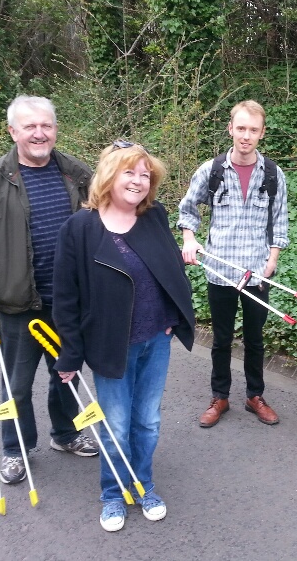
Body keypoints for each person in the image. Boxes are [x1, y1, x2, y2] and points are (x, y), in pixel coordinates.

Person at [52, 141, 195, 533]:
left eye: (145, 174)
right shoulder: (79, 229)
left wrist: (172, 319)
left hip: (155, 341)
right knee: (115, 426)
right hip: (109, 346)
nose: (138, 180)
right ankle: (113, 494)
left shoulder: (154, 217)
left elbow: (172, 271)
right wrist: (69, 353)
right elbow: (66, 297)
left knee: (147, 422)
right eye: (129, 172)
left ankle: (143, 485)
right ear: (109, 175)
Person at [0, 95, 98, 486]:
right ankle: (14, 448)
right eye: (29, 126)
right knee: (15, 384)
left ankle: (66, 434)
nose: (39, 133)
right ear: (13, 132)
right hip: (18, 305)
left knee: (66, 375)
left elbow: (102, 229)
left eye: (46, 126)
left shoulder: (76, 172)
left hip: (69, 302)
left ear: (55, 129)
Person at [178, 100, 289, 428]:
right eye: (241, 128)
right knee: (222, 339)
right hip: (219, 271)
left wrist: (272, 261)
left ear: (262, 133)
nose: (246, 135)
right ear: (230, 129)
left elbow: (279, 219)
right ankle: (220, 396)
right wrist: (189, 238)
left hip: (257, 272)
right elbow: (188, 209)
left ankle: (255, 395)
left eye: (253, 130)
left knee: (255, 338)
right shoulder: (210, 170)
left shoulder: (272, 173)